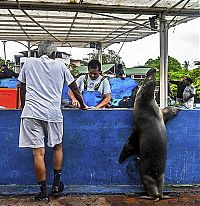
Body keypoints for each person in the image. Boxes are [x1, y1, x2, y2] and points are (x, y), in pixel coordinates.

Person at [18, 40, 86, 201]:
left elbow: (21, 86)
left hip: (31, 112)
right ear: (54, 54)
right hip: (52, 114)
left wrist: (23, 105)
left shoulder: (28, 63)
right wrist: (82, 104)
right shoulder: (60, 66)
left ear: (38, 52)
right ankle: (56, 185)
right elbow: (74, 87)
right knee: (57, 147)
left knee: (38, 153)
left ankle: (43, 192)